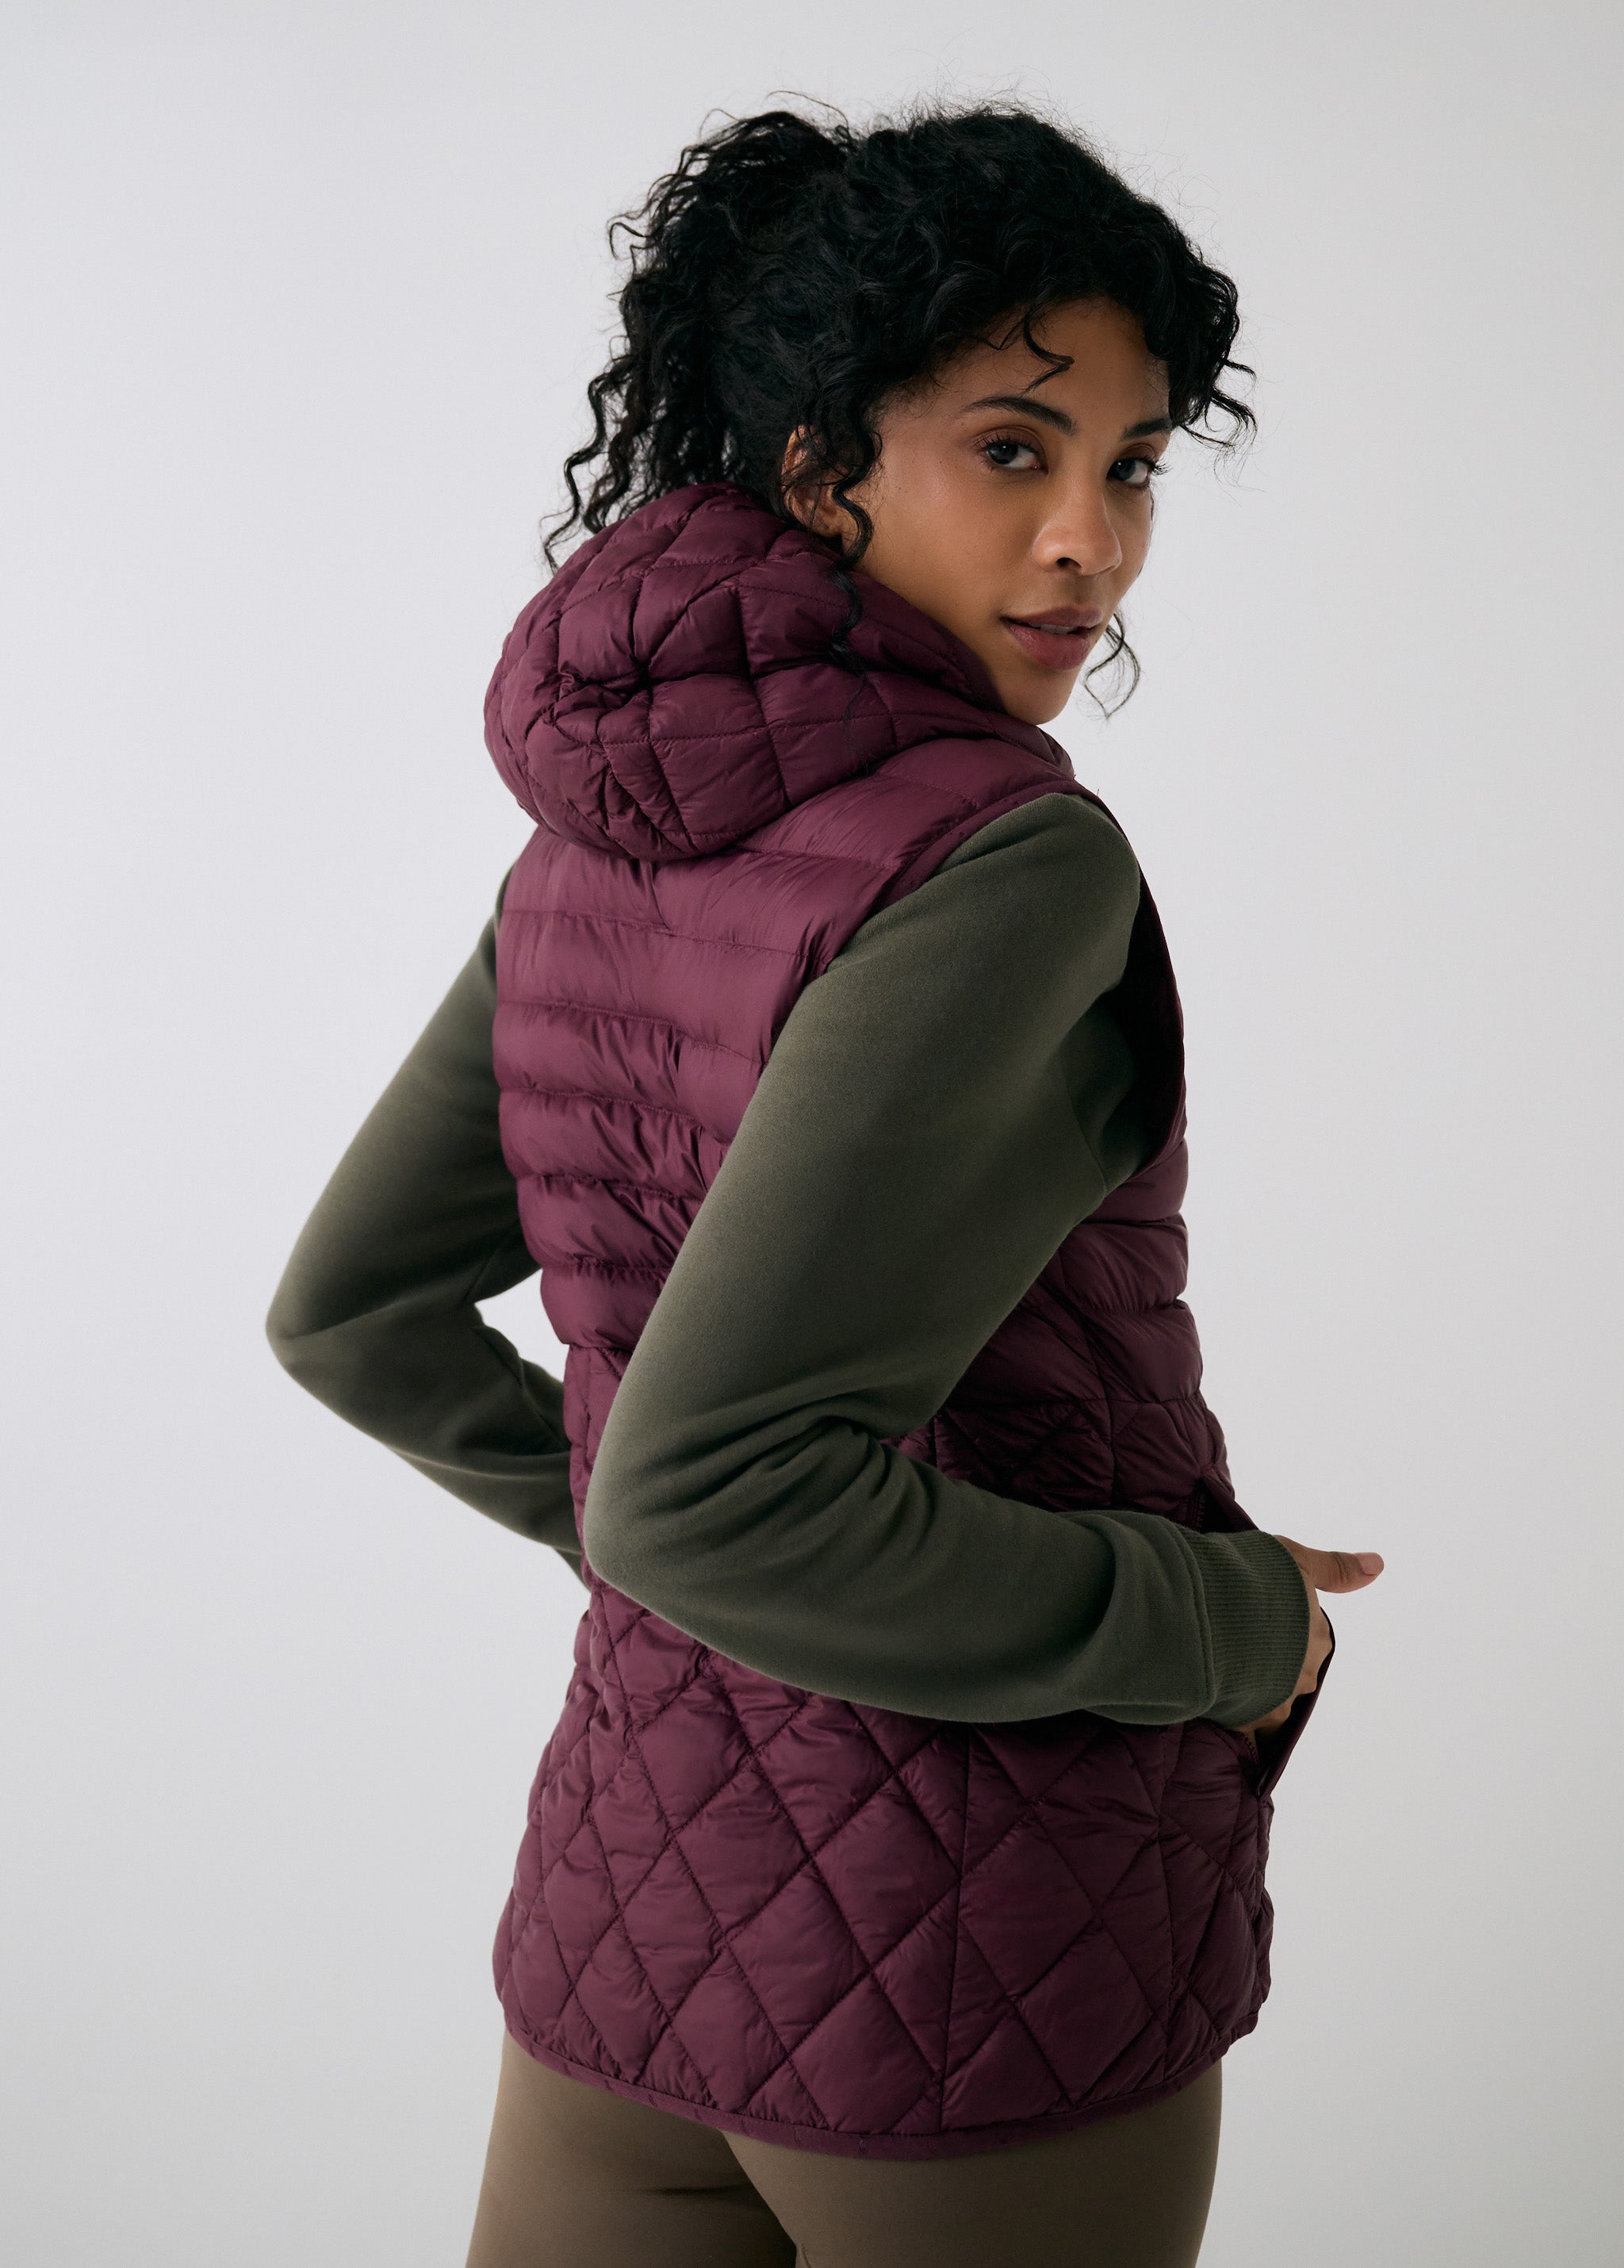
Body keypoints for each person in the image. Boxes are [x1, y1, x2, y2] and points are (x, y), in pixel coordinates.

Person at [266, 99, 1385, 2268]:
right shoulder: (1002, 859)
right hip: (974, 1961)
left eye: (1135, 465)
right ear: (815, 466)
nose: (1090, 540)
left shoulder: (600, 823)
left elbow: (355, 1322)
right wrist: (1230, 1622)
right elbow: (706, 1499)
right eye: (1011, 450)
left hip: (629, 1918)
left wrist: (662, 1555)